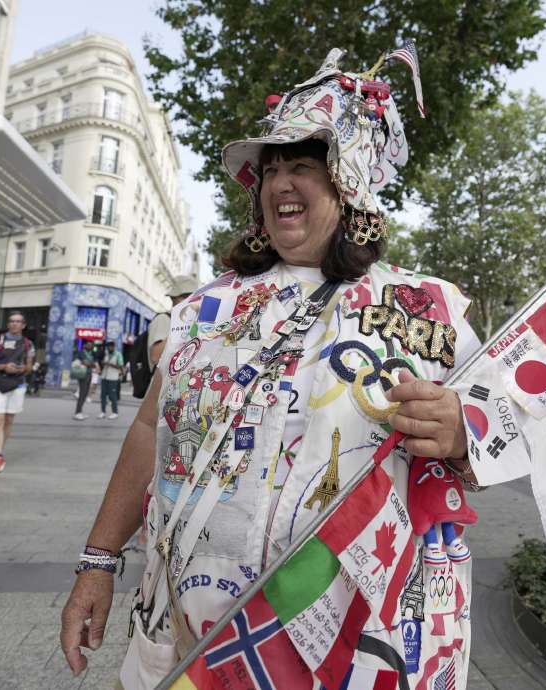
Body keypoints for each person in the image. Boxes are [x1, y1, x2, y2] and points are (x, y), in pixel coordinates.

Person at [60, 49, 482, 689]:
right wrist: (97, 560)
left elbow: (499, 435)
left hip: (351, 634)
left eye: (303, 167)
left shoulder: (428, 308)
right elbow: (151, 431)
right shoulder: (203, 310)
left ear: (349, 184)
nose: (280, 182)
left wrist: (460, 433)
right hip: (195, 625)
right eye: (270, 169)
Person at [0, 312, 35, 474]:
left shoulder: (28, 344)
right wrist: (3, 367)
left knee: (9, 420)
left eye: (18, 321)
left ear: (23, 325)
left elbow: (30, 366)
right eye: (11, 321)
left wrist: (22, 368)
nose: (14, 324)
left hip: (17, 384)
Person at [97, 340, 124, 419]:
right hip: (104, 377)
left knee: (112, 396)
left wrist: (109, 364)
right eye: (108, 347)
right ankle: (103, 412)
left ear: (113, 347)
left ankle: (115, 412)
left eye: (110, 347)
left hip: (113, 378)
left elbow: (120, 366)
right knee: (103, 395)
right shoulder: (106, 354)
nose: (108, 348)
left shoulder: (118, 354)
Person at [71, 346, 96, 421]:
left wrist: (90, 364)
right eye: (88, 343)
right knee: (82, 393)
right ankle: (77, 412)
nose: (90, 344)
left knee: (85, 393)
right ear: (85, 345)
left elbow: (92, 364)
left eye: (91, 343)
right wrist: (90, 364)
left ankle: (80, 411)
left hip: (89, 374)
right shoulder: (81, 353)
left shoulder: (91, 354)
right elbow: (87, 363)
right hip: (83, 374)